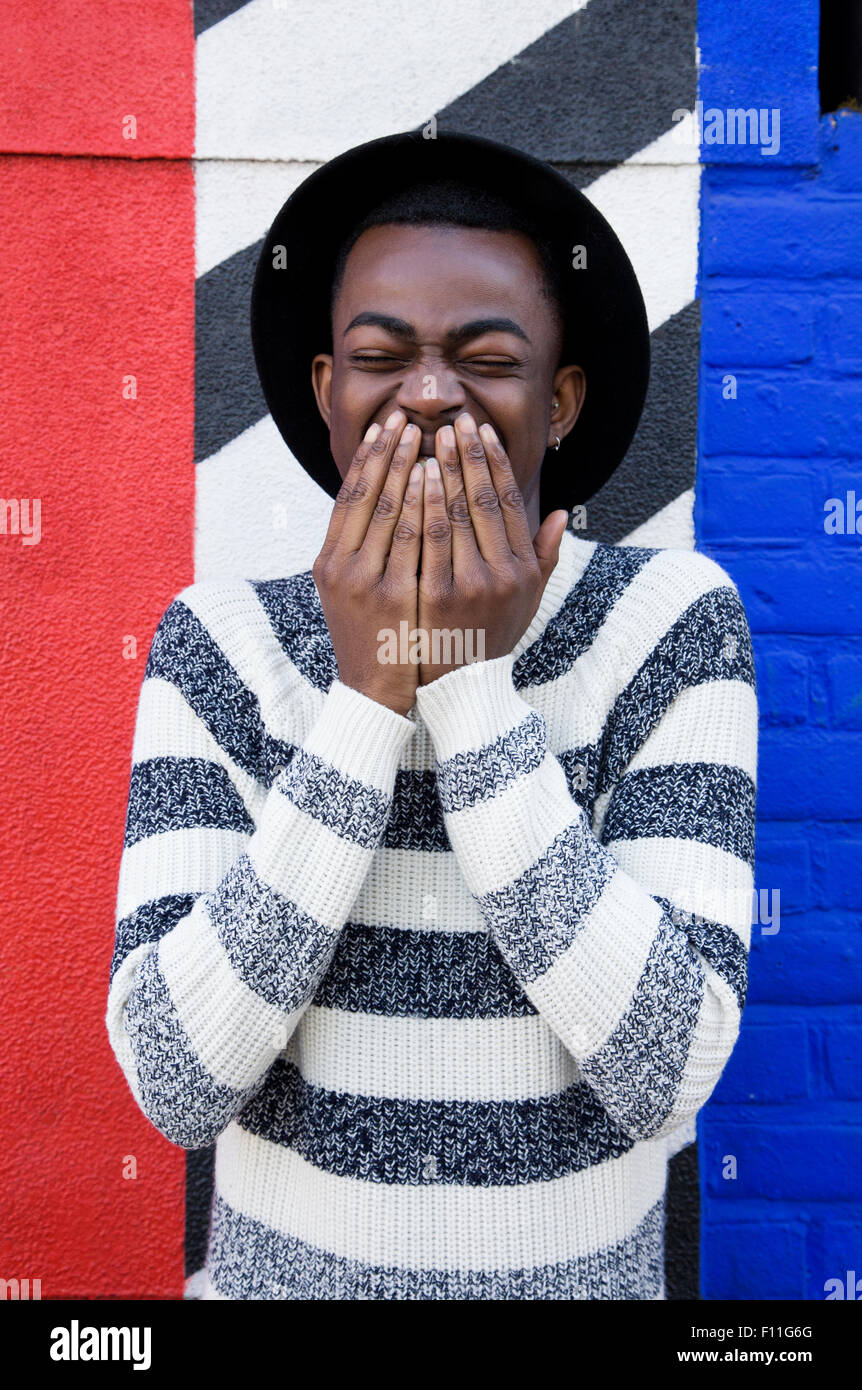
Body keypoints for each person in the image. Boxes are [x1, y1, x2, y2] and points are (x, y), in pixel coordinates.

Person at [106, 129, 758, 1300]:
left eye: (484, 357)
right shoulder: (219, 642)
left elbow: (665, 1067)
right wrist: (366, 696)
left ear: (557, 403)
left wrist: (462, 682)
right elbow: (174, 1080)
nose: (426, 394)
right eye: (381, 354)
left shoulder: (668, 621)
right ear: (327, 392)